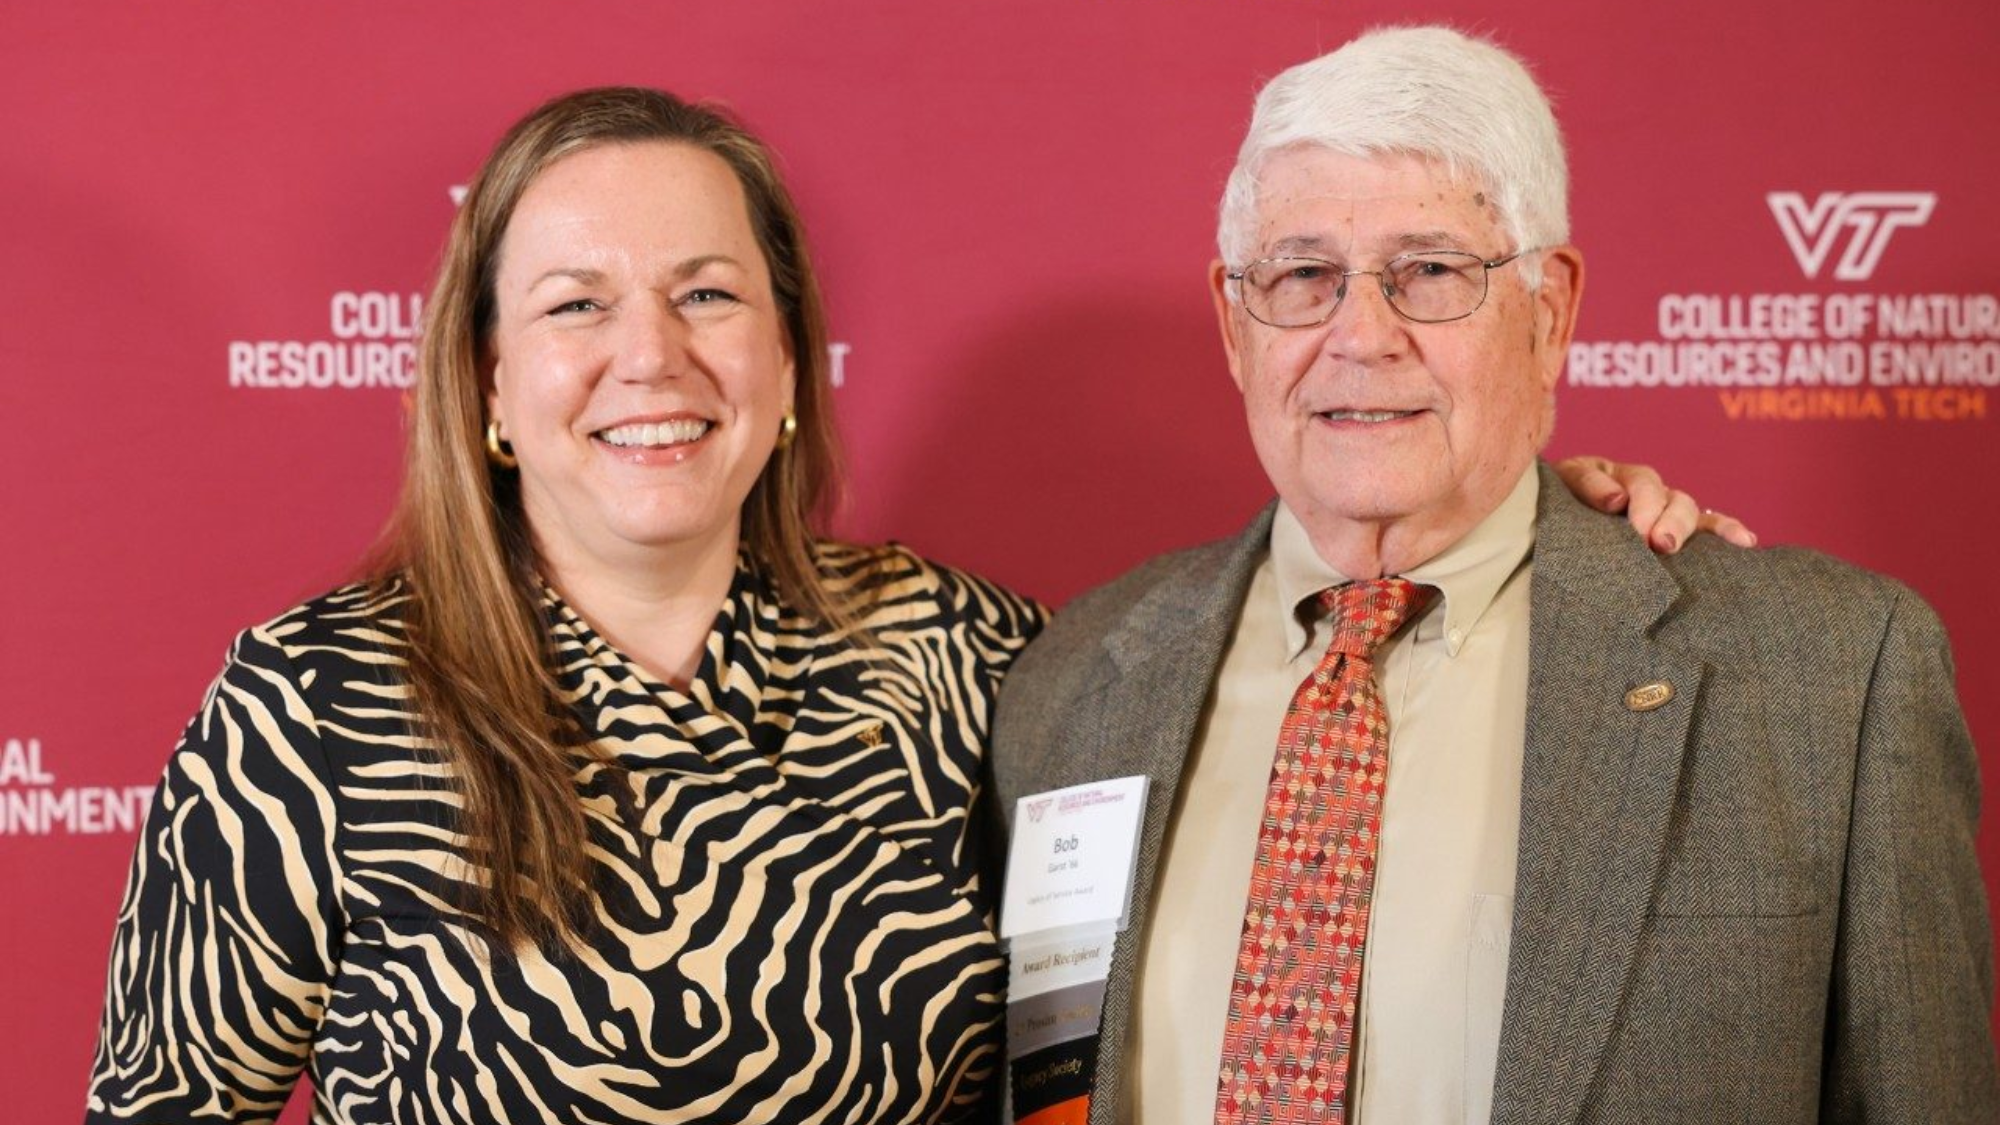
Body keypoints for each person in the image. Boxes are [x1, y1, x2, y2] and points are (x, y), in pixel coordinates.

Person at [85, 86, 1741, 1124]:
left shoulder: (973, 659)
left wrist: (1552, 522)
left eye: (709, 295)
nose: (649, 357)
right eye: (577, 304)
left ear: (789, 363)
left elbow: (1275, 700)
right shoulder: (314, 705)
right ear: (491, 385)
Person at [992, 25, 1996, 1125]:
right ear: (1236, 326)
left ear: (1549, 311)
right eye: (1301, 276)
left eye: (1427, 272)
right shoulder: (1072, 679)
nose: (1358, 335)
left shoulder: (1830, 679)